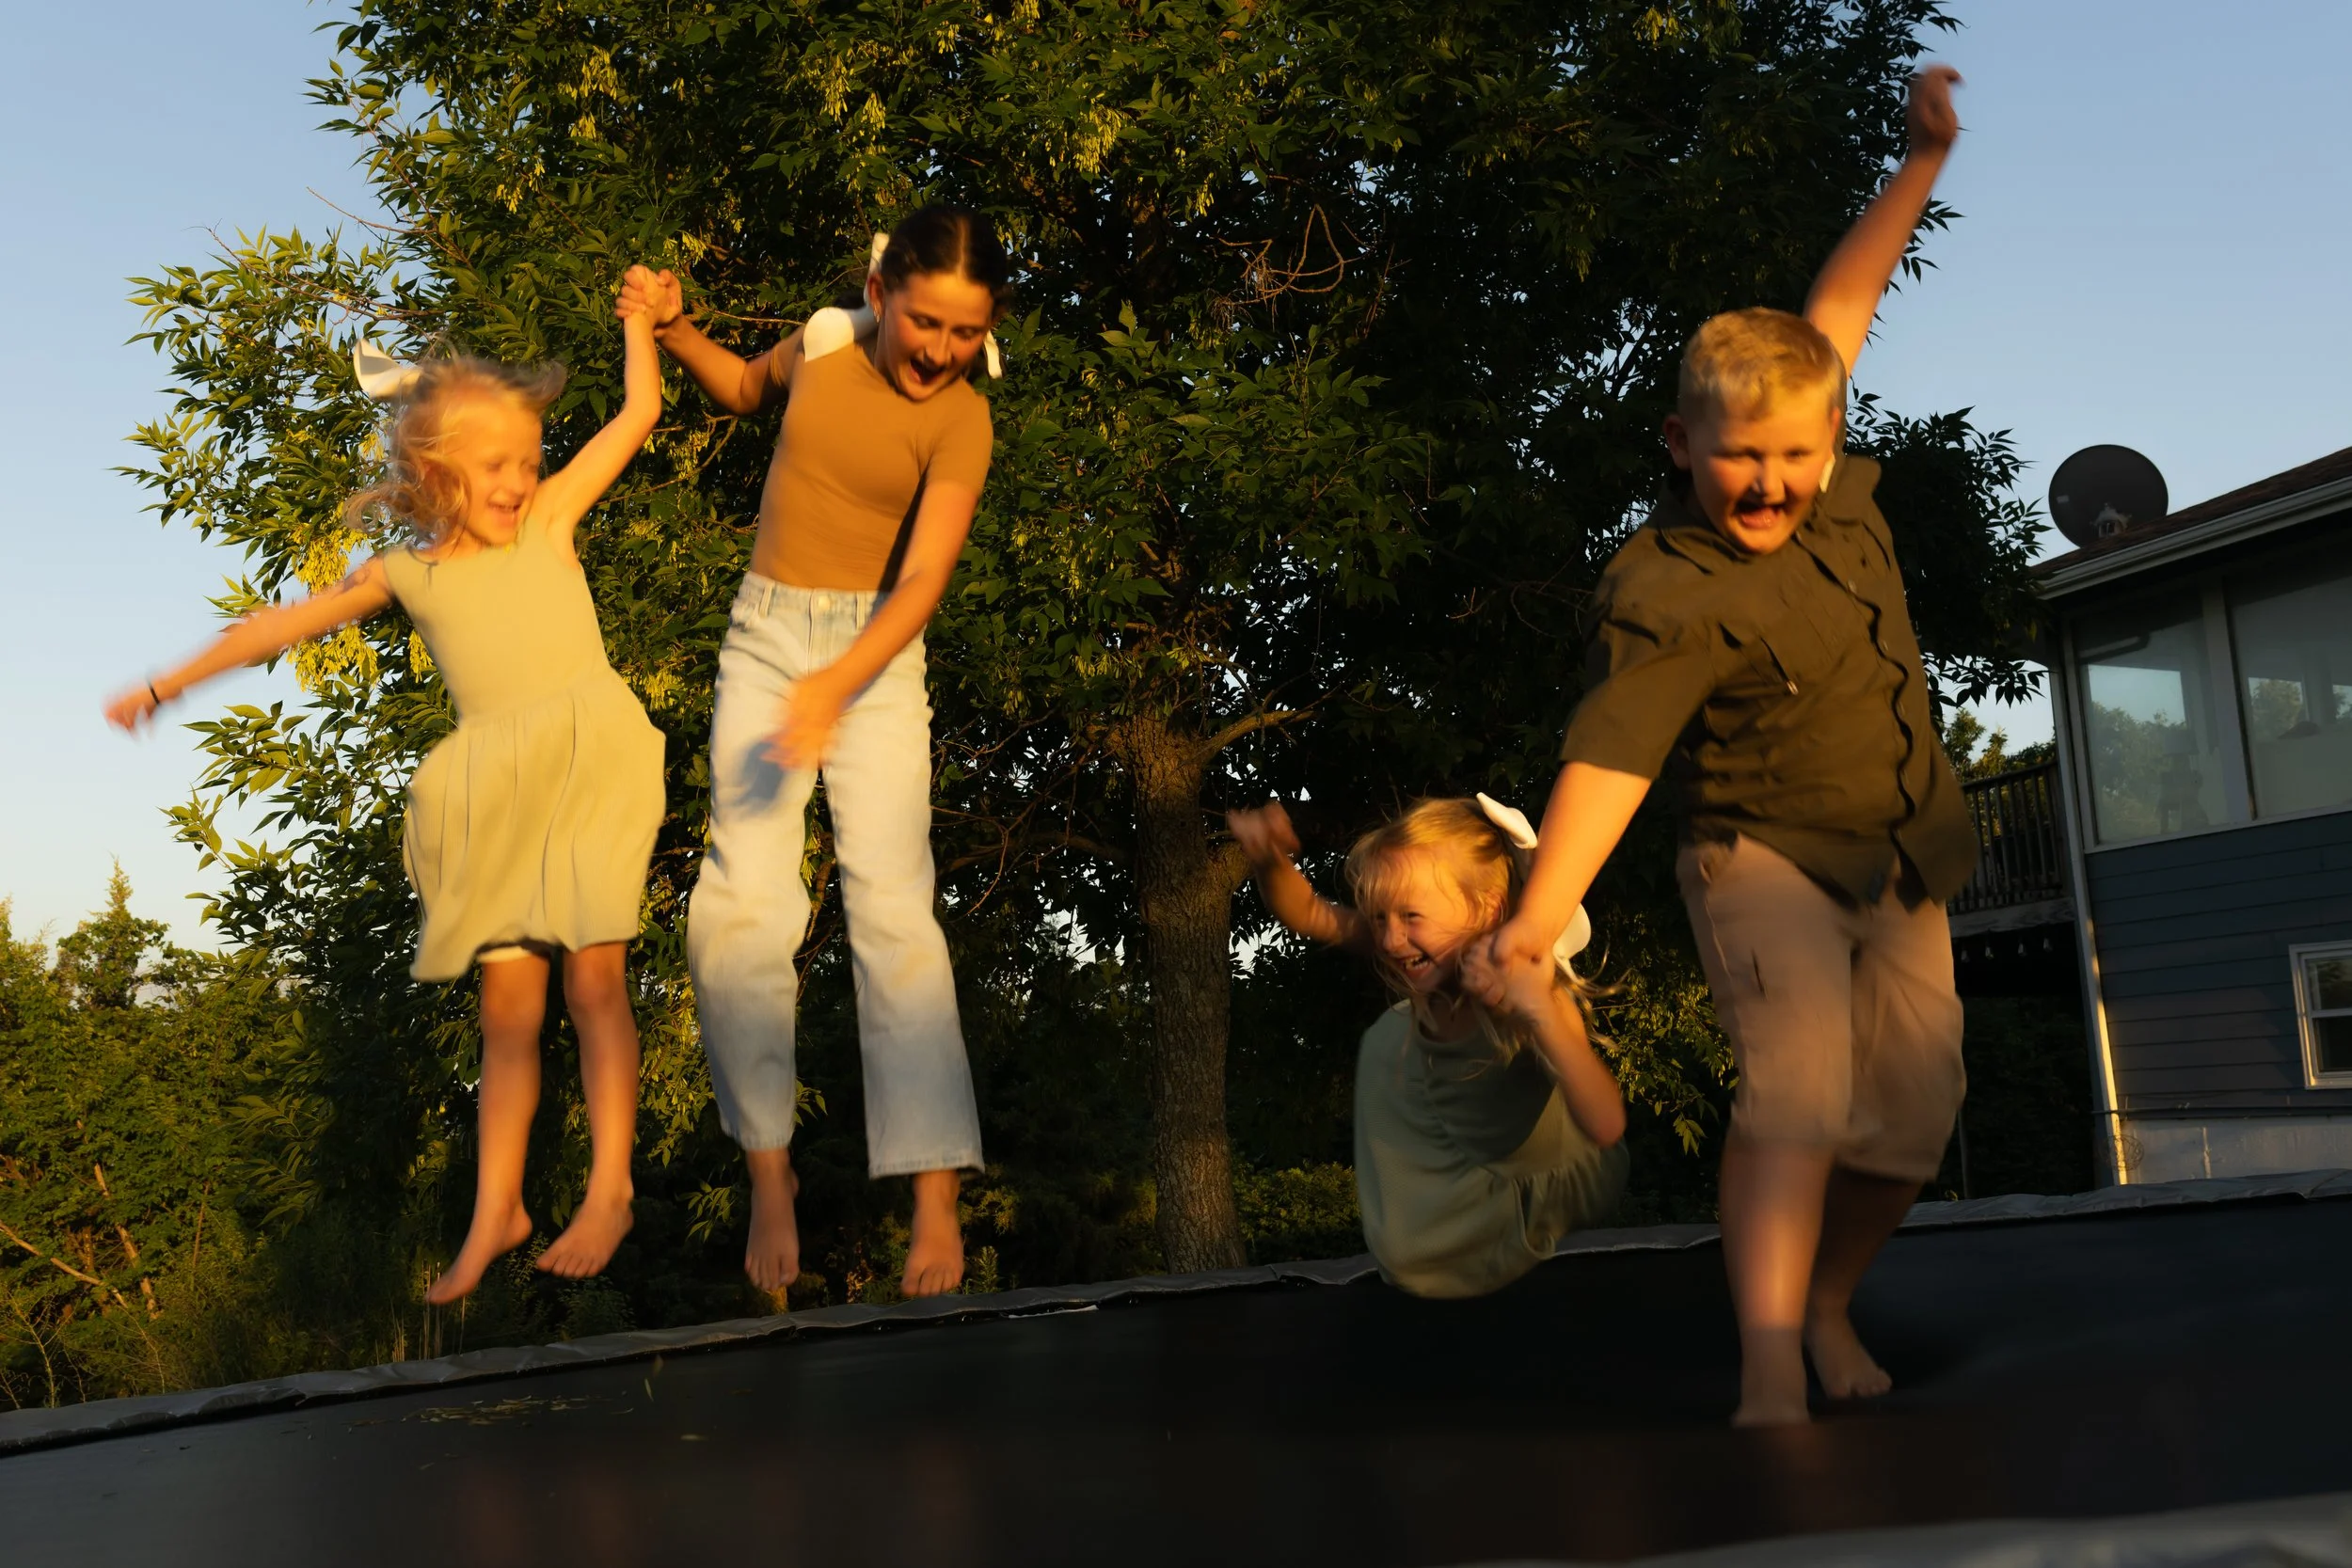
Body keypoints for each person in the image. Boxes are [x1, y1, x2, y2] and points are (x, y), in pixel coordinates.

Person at [1478, 67, 1974, 1424]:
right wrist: (1539, 913)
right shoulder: (1671, 584)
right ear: (1683, 445)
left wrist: (1920, 161)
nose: (1770, 482)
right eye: (1741, 456)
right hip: (1757, 853)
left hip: (1902, 847)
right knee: (1800, 1093)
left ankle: (1823, 1300)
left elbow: (1841, 304)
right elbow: (1616, 754)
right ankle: (1768, 1361)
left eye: (1795, 455)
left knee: (1916, 1117)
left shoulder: (1839, 490)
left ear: (1831, 437)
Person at [105, 293, 669, 1306]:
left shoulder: (548, 522)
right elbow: (279, 626)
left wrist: (638, 319)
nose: (521, 479)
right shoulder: (404, 571)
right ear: (437, 472)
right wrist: (166, 684)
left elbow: (635, 415)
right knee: (506, 1009)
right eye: (497, 465)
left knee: (592, 981)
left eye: (529, 458)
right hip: (492, 786)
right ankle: (499, 1203)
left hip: (587, 756)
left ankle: (612, 1187)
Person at [620, 206, 1012, 1299]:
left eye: (964, 332)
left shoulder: (964, 422)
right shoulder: (829, 340)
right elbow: (745, 389)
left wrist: (836, 686)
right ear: (882, 292)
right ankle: (770, 1171)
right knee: (741, 899)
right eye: (925, 320)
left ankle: (934, 1194)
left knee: (894, 907)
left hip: (878, 656)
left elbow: (925, 579)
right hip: (766, 632)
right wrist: (673, 324)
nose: (939, 349)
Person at [1226, 796, 1628, 1298]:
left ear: (1487, 907)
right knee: (1388, 1039)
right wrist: (1268, 861)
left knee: (1387, 1042)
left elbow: (1606, 1123)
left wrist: (1539, 1013)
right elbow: (1309, 913)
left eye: (1411, 916)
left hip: (1530, 1205)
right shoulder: (1412, 948)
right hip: (1456, 1177)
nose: (1391, 941)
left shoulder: (1529, 996)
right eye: (1378, 918)